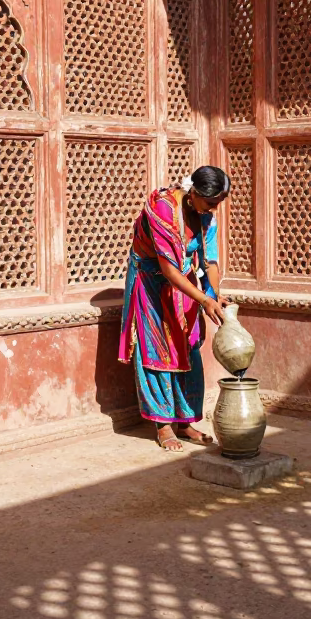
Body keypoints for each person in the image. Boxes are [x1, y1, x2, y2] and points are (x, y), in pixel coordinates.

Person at [118, 166, 231, 451]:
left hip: (184, 282)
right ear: (194, 193)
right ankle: (163, 425)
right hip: (152, 282)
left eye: (217, 204)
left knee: (188, 345)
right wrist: (204, 301)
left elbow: (210, 261)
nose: (213, 209)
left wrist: (213, 296)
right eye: (210, 203)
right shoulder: (163, 209)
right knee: (157, 350)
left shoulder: (206, 217)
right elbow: (168, 270)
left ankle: (185, 423)